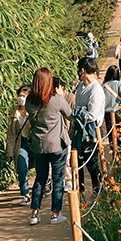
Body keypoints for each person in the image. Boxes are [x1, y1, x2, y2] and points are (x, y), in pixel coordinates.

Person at [25, 68, 72, 225]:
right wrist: (61, 96)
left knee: (40, 178)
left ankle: (35, 213)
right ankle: (55, 214)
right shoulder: (56, 100)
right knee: (58, 179)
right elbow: (70, 114)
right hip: (56, 144)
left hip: (39, 146)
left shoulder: (29, 102)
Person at [75, 58, 105, 199]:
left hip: (92, 130)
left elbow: (92, 115)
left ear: (84, 70)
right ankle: (79, 194)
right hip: (79, 129)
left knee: (92, 164)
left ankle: (98, 191)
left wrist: (77, 113)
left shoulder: (95, 89)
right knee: (77, 162)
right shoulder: (81, 87)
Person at [6, 86, 33, 206]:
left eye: (24, 96)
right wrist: (10, 153)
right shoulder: (14, 113)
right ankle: (25, 193)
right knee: (22, 168)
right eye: (20, 96)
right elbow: (11, 134)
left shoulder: (34, 110)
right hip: (21, 142)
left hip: (34, 142)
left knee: (40, 166)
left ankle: (47, 182)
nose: (21, 99)